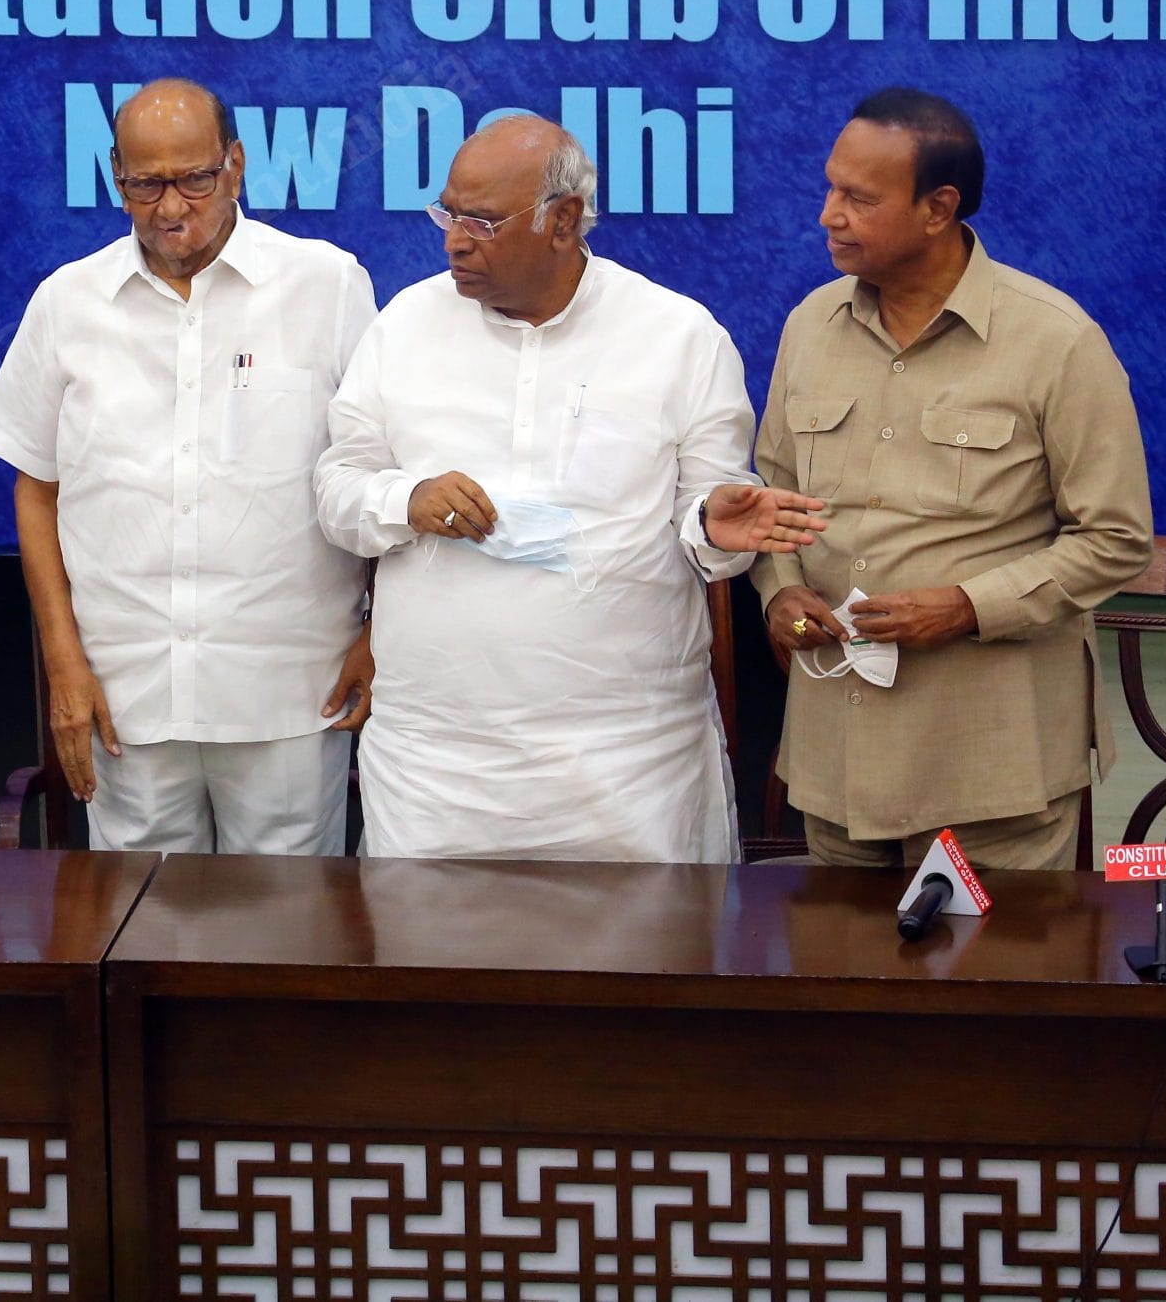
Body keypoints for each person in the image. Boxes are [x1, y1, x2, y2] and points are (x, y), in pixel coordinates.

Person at [315, 115, 824, 862]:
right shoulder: (406, 327)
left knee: (643, 975)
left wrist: (716, 526)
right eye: (448, 214)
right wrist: (405, 499)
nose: (455, 238)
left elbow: (710, 529)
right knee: (432, 973)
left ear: (562, 222)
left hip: (629, 771)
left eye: (481, 222)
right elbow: (336, 490)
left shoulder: (677, 338)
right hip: (438, 768)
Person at [754, 90, 1152, 870]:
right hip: (836, 757)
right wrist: (781, 591)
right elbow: (773, 502)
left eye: (859, 198)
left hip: (988, 770)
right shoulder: (811, 325)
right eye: (830, 188)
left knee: (987, 984)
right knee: (841, 982)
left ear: (938, 208)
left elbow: (1115, 539)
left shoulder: (1055, 340)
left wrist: (970, 607)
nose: (829, 214)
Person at [0, 77, 376, 856]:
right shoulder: (68, 302)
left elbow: (375, 470)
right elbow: (36, 488)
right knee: (141, 935)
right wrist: (63, 663)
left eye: (194, 180)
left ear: (236, 166)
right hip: (129, 695)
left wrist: (379, 632)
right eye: (144, 184)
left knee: (287, 934)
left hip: (292, 690)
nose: (170, 208)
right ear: (115, 178)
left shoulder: (325, 286)